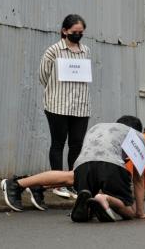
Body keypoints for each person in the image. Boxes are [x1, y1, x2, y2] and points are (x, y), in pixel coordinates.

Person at [1, 116, 145, 222]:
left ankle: (19, 184)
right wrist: (140, 212)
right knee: (128, 211)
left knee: (70, 177)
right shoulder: (137, 135)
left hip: (83, 165)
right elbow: (138, 179)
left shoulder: (98, 127)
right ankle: (105, 199)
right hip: (112, 166)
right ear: (137, 129)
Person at [39, 14, 91, 199]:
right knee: (58, 143)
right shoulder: (53, 51)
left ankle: (73, 181)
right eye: (74, 32)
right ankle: (57, 183)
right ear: (64, 31)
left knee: (76, 144)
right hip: (57, 105)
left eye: (80, 32)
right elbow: (43, 76)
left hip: (80, 106)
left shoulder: (85, 50)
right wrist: (56, 91)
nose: (77, 35)